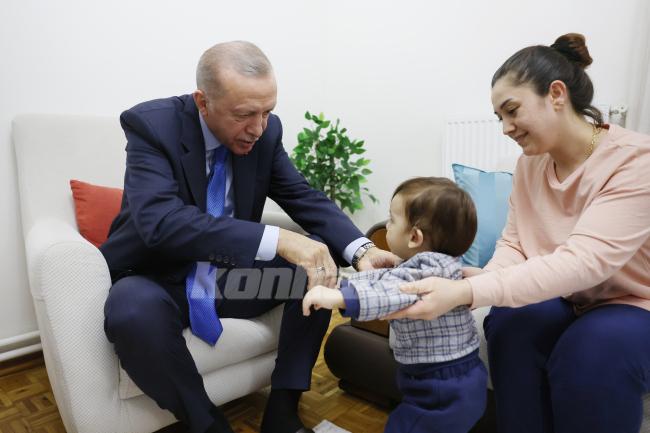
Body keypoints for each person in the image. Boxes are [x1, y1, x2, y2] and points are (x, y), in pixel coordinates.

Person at [100, 41, 399, 433]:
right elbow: (162, 222)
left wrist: (363, 251)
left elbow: (301, 195)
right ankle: (208, 425)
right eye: (244, 115)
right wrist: (280, 239)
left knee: (315, 269)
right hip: (158, 278)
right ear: (203, 102)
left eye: (267, 112)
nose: (258, 128)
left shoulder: (265, 134)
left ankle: (282, 412)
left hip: (228, 280)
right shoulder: (153, 126)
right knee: (131, 312)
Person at [386, 33, 650, 433]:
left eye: (512, 111)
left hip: (635, 302)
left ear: (556, 94)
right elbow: (516, 242)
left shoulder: (635, 162)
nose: (506, 128)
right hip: (571, 297)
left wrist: (470, 291)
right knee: (511, 321)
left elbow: (583, 263)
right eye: (499, 118)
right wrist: (484, 278)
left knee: (591, 353)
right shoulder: (530, 164)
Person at [303, 177, 487, 433]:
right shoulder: (443, 264)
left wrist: (339, 297)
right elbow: (387, 278)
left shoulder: (422, 275)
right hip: (458, 376)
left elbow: (390, 292)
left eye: (391, 219)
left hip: (438, 387)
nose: (386, 225)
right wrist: (347, 282)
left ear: (414, 236)